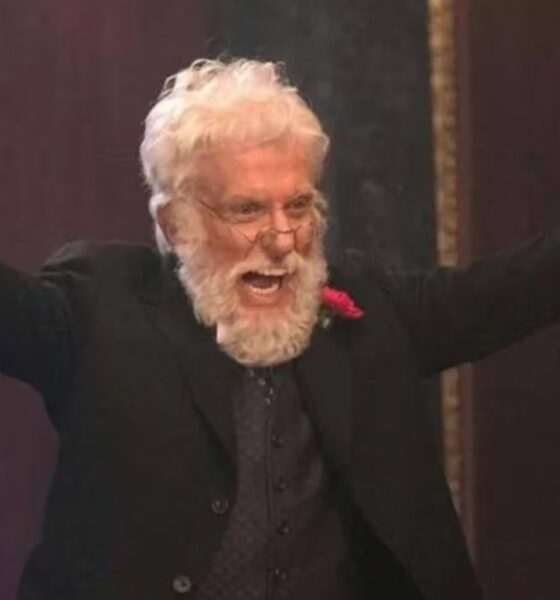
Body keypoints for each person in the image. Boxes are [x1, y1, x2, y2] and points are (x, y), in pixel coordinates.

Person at [2, 58, 560, 600]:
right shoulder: (100, 310)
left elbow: (515, 289)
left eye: (297, 206)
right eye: (246, 210)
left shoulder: (371, 308)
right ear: (174, 224)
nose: (283, 238)